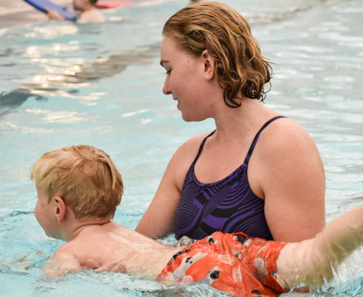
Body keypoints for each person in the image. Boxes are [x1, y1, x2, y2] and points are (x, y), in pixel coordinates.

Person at [31, 145, 363, 297]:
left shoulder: (72, 249)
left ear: (58, 208)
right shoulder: (122, 233)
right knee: (309, 259)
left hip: (191, 270)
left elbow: (54, 283)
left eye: (38, 198)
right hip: (213, 246)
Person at [135, 2, 326, 243]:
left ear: (207, 65)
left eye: (169, 70)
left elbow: (306, 274)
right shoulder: (188, 156)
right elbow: (135, 250)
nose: (165, 88)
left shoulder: (284, 145)